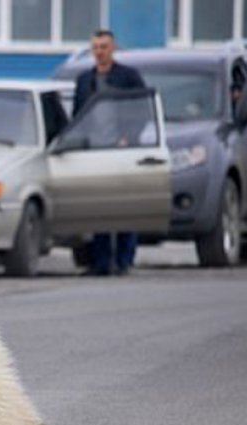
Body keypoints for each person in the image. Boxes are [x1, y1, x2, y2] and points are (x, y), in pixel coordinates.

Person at [73, 29, 146, 276]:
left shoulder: (127, 76)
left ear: (113, 48)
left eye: (104, 46)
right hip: (95, 152)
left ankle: (125, 260)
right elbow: (78, 115)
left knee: (125, 207)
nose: (99, 51)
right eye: (95, 47)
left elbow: (141, 110)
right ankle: (101, 262)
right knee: (99, 208)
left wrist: (129, 137)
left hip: (122, 151)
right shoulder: (85, 79)